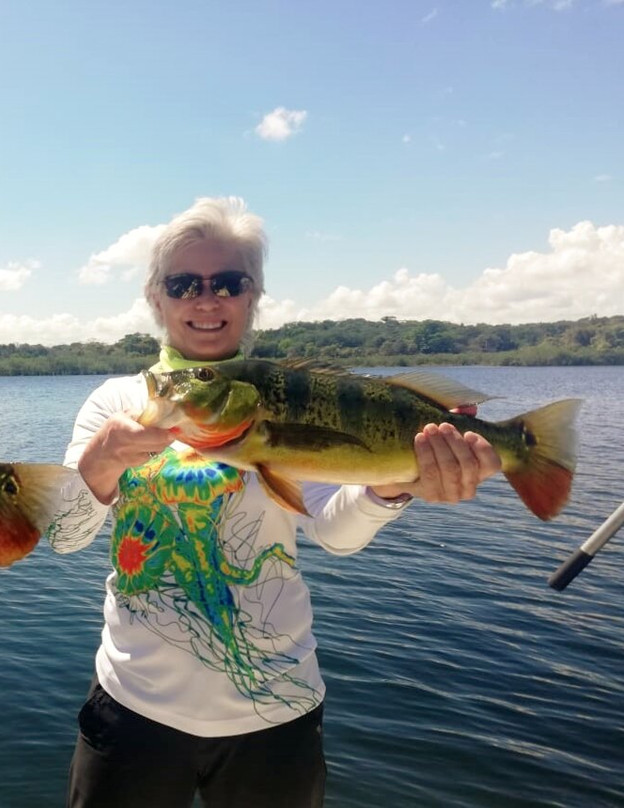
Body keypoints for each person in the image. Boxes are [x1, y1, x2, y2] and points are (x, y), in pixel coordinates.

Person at [46, 196, 502, 808]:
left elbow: (336, 534)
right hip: (133, 708)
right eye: (184, 284)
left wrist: (392, 487)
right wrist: (100, 461)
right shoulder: (115, 402)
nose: (206, 300)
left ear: (252, 295)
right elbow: (65, 535)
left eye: (227, 282)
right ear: (156, 297)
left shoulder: (275, 401)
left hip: (276, 711)